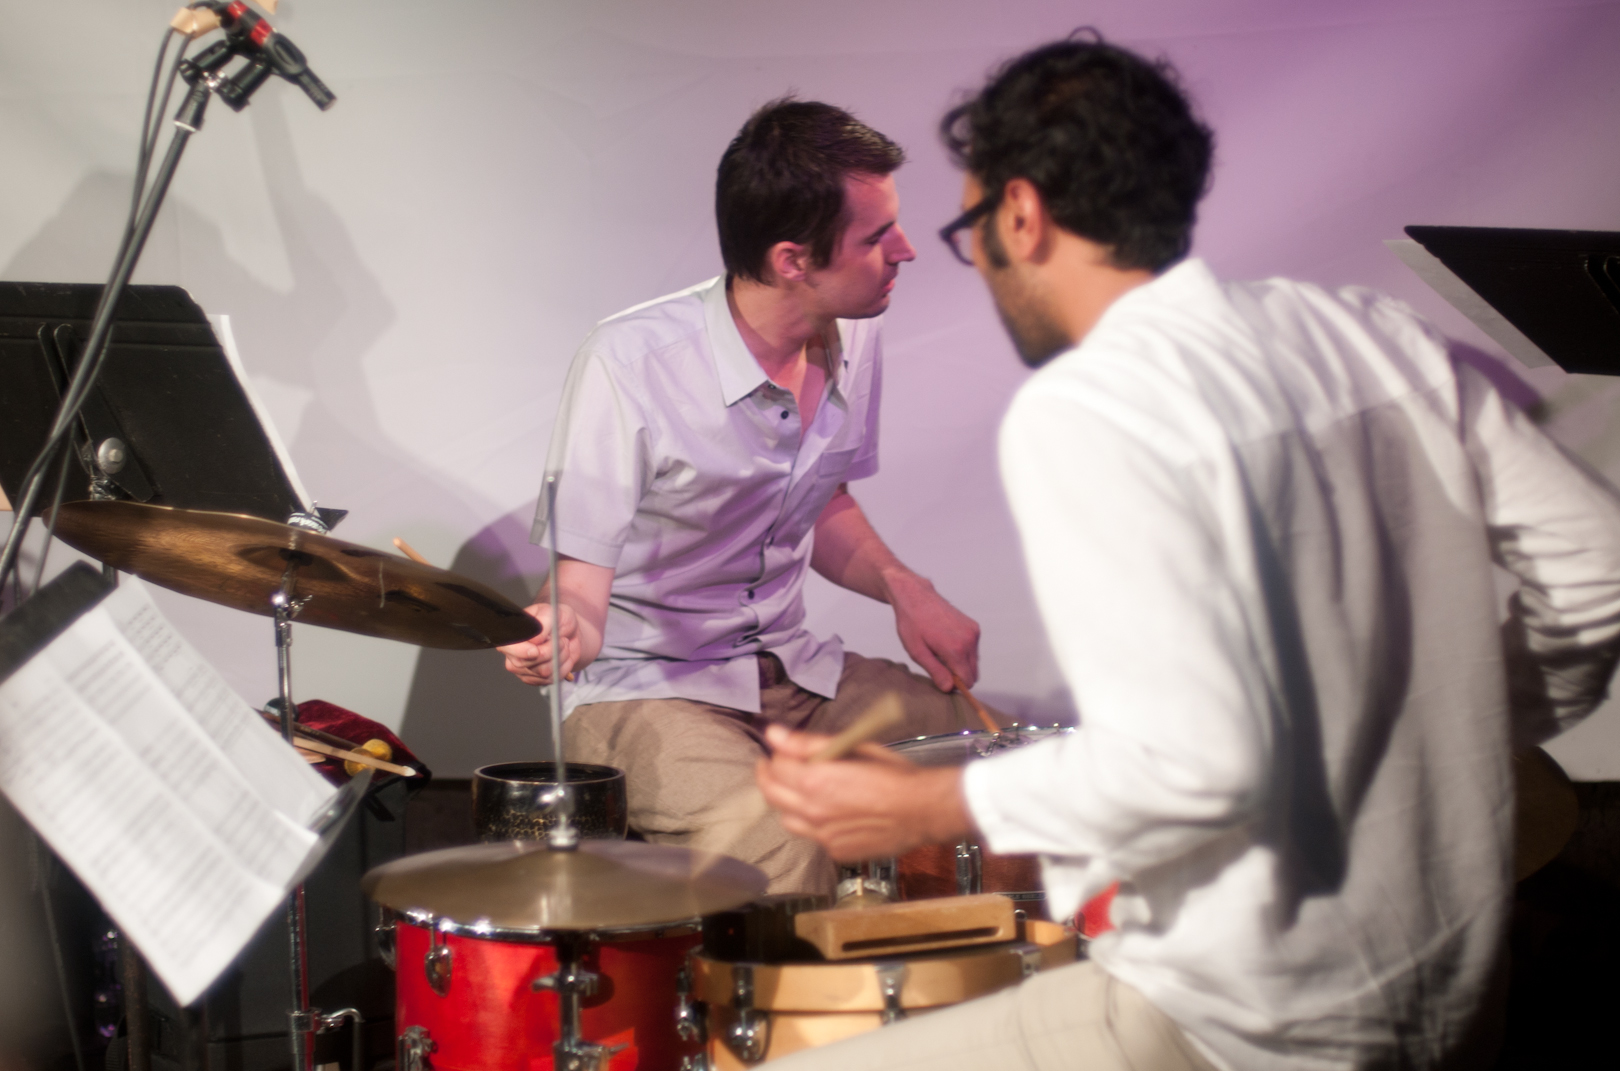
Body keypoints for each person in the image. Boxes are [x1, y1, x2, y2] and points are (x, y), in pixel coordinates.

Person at [757, 35, 1620, 1071]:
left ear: (1022, 214)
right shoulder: (1375, 336)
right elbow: (1602, 566)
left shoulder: (1093, 404)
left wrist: (925, 801)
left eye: (971, 229)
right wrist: (1449, 727)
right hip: (1456, 992)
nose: (981, 262)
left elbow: (1193, 759)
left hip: (1248, 1021)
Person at [499, 99, 987, 896]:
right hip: (649, 686)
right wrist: (561, 630)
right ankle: (807, 1020)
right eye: (876, 237)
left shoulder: (852, 327)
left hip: (787, 670)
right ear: (794, 259)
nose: (905, 251)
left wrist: (906, 587)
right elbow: (580, 595)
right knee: (782, 843)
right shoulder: (629, 364)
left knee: (984, 760)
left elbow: (817, 499)